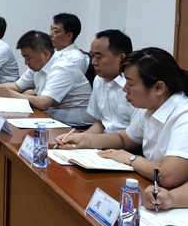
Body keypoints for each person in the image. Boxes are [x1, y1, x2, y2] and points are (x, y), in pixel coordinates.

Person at [55, 48, 188, 188]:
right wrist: (84, 139)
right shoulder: (151, 109)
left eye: (130, 84)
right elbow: (123, 139)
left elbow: (168, 176)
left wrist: (131, 159)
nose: (124, 89)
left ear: (158, 88)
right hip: (155, 188)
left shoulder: (183, 116)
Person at [0, 30, 94, 128]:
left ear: (45, 54)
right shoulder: (38, 65)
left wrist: (9, 94)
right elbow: (17, 86)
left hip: (76, 125)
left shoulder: (61, 68)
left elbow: (43, 103)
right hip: (52, 116)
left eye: (28, 58)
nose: (26, 62)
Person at [84, 29, 139, 134]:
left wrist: (89, 140)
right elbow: (99, 124)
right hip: (105, 140)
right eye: (92, 56)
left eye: (98, 57)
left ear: (121, 57)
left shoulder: (135, 85)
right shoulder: (98, 80)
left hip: (128, 142)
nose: (93, 62)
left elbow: (135, 136)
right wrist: (79, 138)